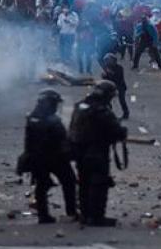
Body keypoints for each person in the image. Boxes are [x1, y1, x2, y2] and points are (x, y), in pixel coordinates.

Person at [68, 81, 128, 227]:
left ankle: (85, 214)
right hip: (97, 153)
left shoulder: (80, 106)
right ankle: (96, 217)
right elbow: (116, 131)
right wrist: (122, 133)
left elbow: (72, 128)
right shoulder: (102, 111)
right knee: (99, 185)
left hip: (79, 152)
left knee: (84, 183)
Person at [21, 90, 77, 223]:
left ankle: (43, 215)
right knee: (69, 182)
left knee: (42, 186)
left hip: (37, 157)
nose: (56, 106)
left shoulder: (33, 117)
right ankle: (71, 211)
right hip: (55, 157)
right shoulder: (52, 120)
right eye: (54, 103)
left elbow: (28, 141)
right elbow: (61, 138)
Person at [102, 53, 130, 120]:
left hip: (120, 86)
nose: (107, 63)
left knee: (122, 100)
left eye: (108, 61)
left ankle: (126, 113)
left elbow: (118, 78)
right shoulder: (106, 68)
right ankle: (108, 112)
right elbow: (106, 79)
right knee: (106, 100)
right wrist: (105, 75)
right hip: (111, 87)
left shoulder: (119, 68)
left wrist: (110, 73)